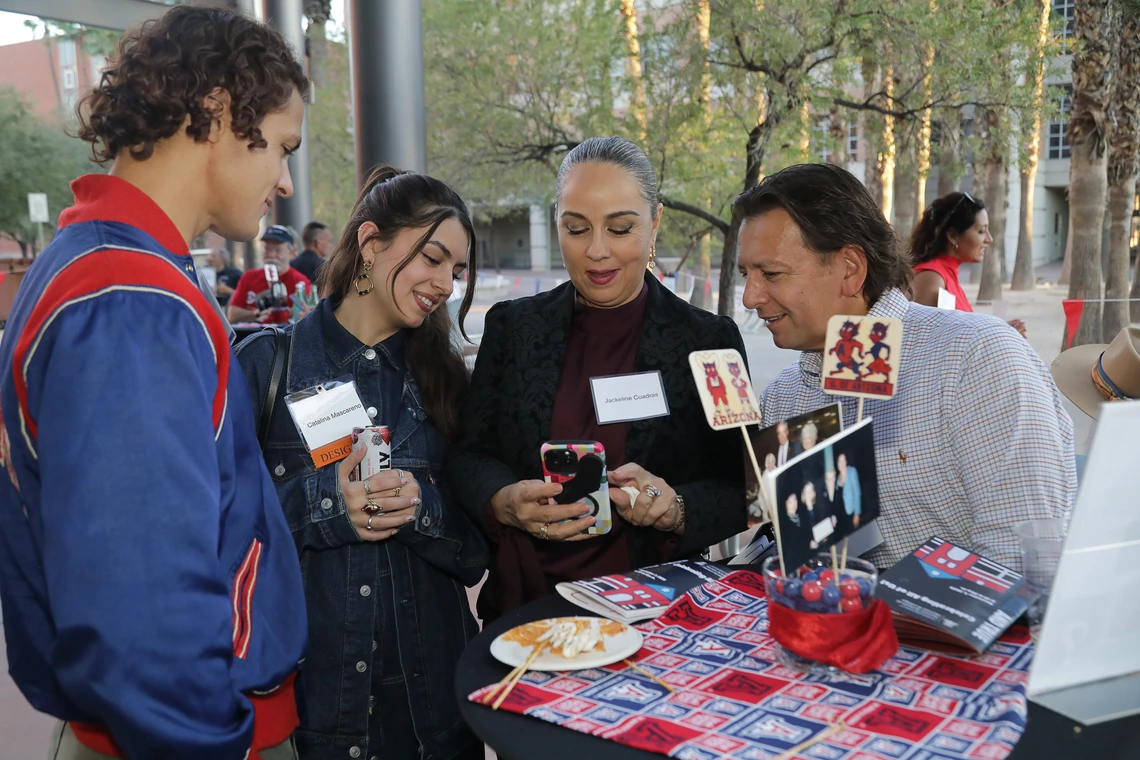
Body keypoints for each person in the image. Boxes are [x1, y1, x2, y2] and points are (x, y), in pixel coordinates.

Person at [0, 7, 308, 758]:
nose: (286, 179)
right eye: (282, 146)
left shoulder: (102, 265)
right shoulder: (129, 299)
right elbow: (140, 614)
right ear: (218, 110)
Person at [235, 166, 487, 760]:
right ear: (371, 244)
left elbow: (476, 553)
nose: (446, 283)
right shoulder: (265, 366)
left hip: (437, 721)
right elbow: (217, 531)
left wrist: (421, 508)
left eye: (457, 269)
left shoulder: (449, 382)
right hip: (312, 718)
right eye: (432, 258)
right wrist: (324, 503)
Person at [446, 136, 747, 621]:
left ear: (655, 224)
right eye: (576, 228)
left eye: (621, 228)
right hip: (529, 603)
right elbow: (470, 454)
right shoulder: (514, 327)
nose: (597, 251)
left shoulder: (706, 340)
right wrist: (502, 500)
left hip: (656, 612)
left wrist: (677, 508)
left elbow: (744, 487)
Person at [736, 163, 1075, 570]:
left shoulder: (976, 359)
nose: (750, 297)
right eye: (745, 274)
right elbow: (804, 558)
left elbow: (1026, 561)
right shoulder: (782, 396)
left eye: (771, 274)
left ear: (850, 269)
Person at [909, 191, 1026, 334]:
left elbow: (956, 334)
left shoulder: (947, 274)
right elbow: (922, 343)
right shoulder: (932, 277)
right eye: (981, 231)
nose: (989, 239)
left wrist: (999, 331)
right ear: (952, 236)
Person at [229, 224, 313, 323]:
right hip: (253, 335)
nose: (272, 255)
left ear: (290, 252)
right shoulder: (249, 277)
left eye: (278, 250)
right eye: (267, 249)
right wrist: (257, 313)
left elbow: (306, 311)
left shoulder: (300, 281)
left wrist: (281, 311)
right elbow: (232, 315)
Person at [837, 452, 862, 529]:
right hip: (842, 514)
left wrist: (857, 514)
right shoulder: (837, 478)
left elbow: (857, 493)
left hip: (851, 512)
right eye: (839, 461)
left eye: (843, 460)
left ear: (846, 462)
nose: (841, 463)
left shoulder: (852, 471)